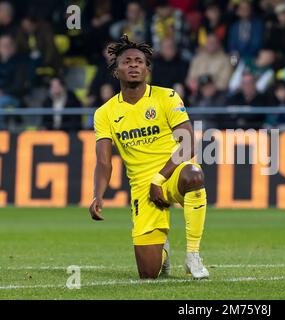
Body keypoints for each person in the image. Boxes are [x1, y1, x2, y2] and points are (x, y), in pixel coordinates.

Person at [90, 35, 209, 280]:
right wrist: (98, 195)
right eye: (127, 61)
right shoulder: (105, 113)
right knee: (148, 274)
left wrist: (159, 179)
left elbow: (188, 144)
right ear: (116, 71)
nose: (133, 65)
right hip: (143, 188)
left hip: (172, 173)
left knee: (194, 174)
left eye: (139, 61)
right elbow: (103, 161)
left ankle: (193, 255)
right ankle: (162, 250)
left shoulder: (167, 97)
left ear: (147, 68)